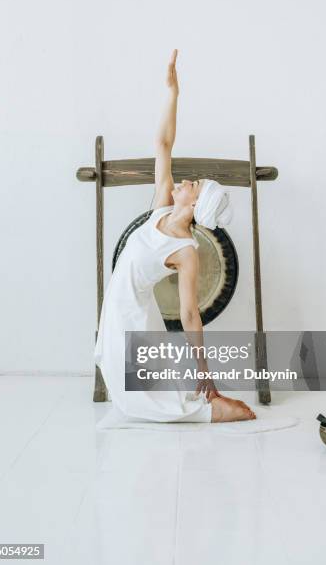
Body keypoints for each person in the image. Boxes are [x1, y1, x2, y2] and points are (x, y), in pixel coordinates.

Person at [93, 49, 256, 423]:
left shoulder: (186, 250)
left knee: (136, 402)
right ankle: (210, 407)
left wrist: (205, 371)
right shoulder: (162, 208)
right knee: (131, 393)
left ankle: (215, 409)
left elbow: (189, 315)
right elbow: (163, 146)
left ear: (197, 205)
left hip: (131, 315)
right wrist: (173, 94)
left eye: (192, 184)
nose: (183, 182)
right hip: (123, 310)